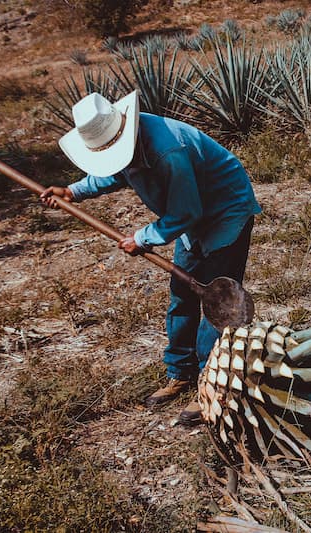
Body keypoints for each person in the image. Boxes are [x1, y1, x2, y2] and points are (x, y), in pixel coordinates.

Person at [41, 90, 261, 425]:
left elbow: (187, 211)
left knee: (217, 304)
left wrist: (142, 238)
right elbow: (115, 171)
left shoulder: (167, 150)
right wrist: (74, 191)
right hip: (189, 216)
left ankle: (212, 384)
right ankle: (181, 371)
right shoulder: (125, 141)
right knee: (182, 295)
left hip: (225, 211)